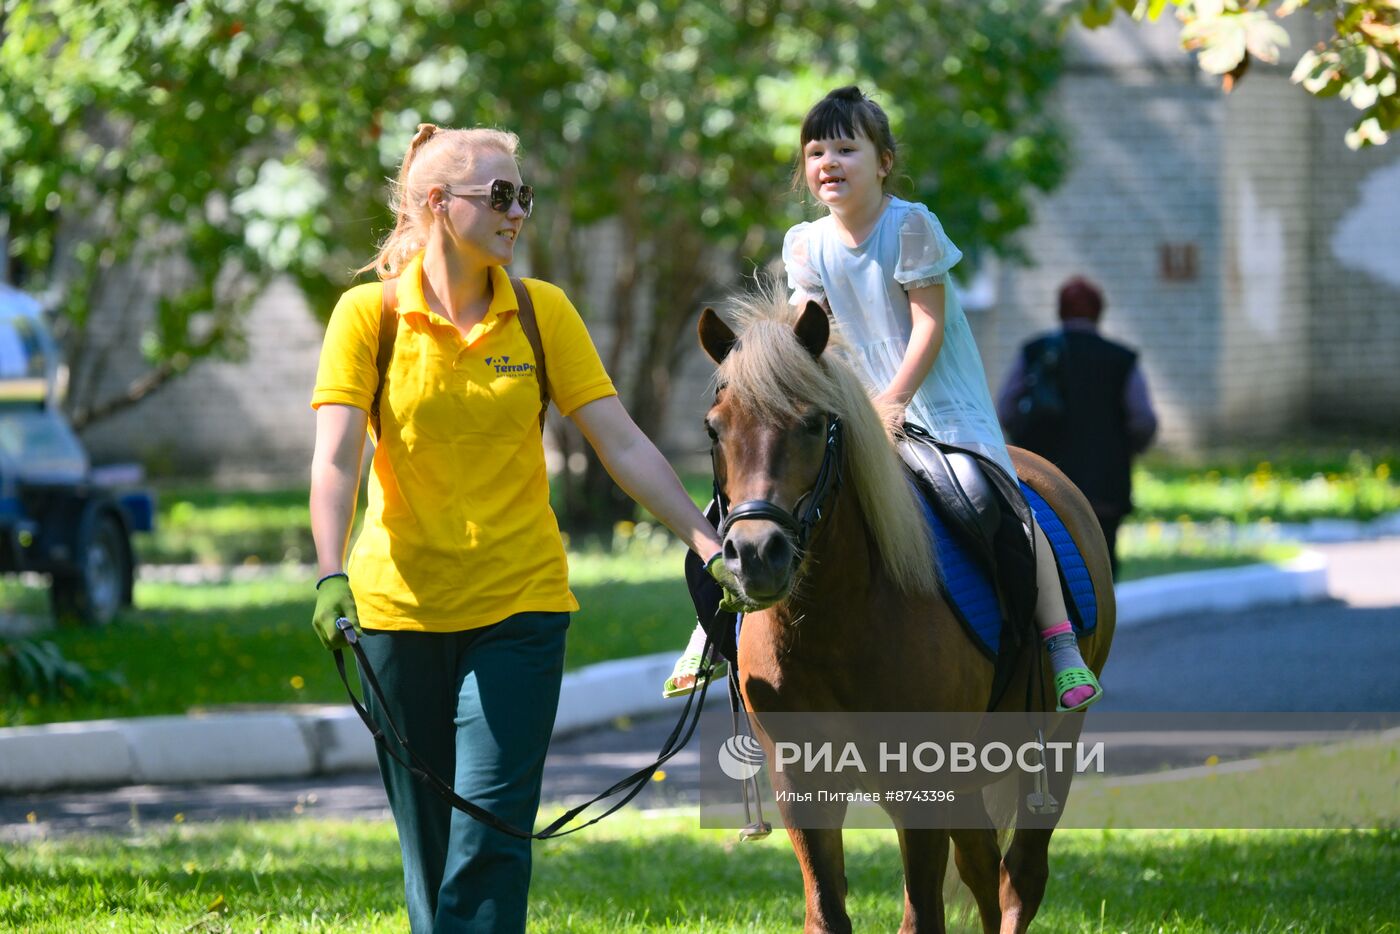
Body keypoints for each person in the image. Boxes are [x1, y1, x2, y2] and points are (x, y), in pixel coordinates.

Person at [309, 124, 736, 934]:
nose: (517, 213)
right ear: (438, 204)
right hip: (397, 612)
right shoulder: (369, 317)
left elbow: (620, 440)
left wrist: (703, 539)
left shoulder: (544, 312)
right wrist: (331, 570)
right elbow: (335, 459)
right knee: (431, 844)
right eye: (499, 196)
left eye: (523, 196)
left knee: (492, 833)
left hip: (520, 606)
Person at [666, 86, 1104, 713]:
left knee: (993, 499)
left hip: (939, 406)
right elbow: (803, 338)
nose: (829, 162)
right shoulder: (805, 243)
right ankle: (715, 634)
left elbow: (927, 327)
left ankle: (1057, 642)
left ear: (883, 161)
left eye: (846, 147)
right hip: (857, 410)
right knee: (743, 506)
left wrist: (894, 400)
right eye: (816, 151)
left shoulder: (912, 226)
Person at [997, 276, 1158, 577]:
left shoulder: (1034, 352)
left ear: (1060, 312)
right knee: (1101, 565)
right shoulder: (1122, 359)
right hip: (1104, 487)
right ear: (1099, 313)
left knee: (1048, 566)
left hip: (1044, 486)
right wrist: (1125, 447)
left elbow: (1006, 409)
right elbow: (1143, 420)